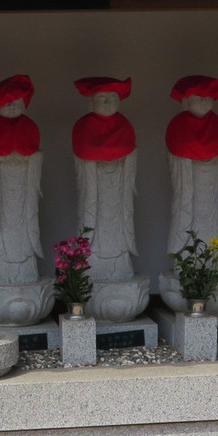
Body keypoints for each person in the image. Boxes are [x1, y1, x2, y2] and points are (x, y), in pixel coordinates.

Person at [166, 75, 218, 264]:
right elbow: (176, 154)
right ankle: (185, 263)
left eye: (209, 98)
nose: (205, 101)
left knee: (215, 223)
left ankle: (216, 266)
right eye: (199, 97)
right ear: (185, 101)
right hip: (189, 192)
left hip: (214, 193)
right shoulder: (178, 126)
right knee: (187, 220)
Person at [0, 74, 43, 284]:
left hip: (24, 192)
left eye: (17, 101)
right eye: (7, 102)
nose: (12, 105)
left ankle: (27, 271)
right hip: (0, 194)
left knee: (26, 224)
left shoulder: (31, 127)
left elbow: (36, 156)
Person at [72, 76, 137, 282]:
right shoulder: (83, 126)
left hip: (118, 194)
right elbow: (84, 153)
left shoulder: (125, 126)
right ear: (90, 102)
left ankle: (120, 268)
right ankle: (91, 269)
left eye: (112, 97)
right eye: (102, 98)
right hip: (95, 193)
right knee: (91, 226)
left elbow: (130, 155)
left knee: (119, 224)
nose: (108, 102)